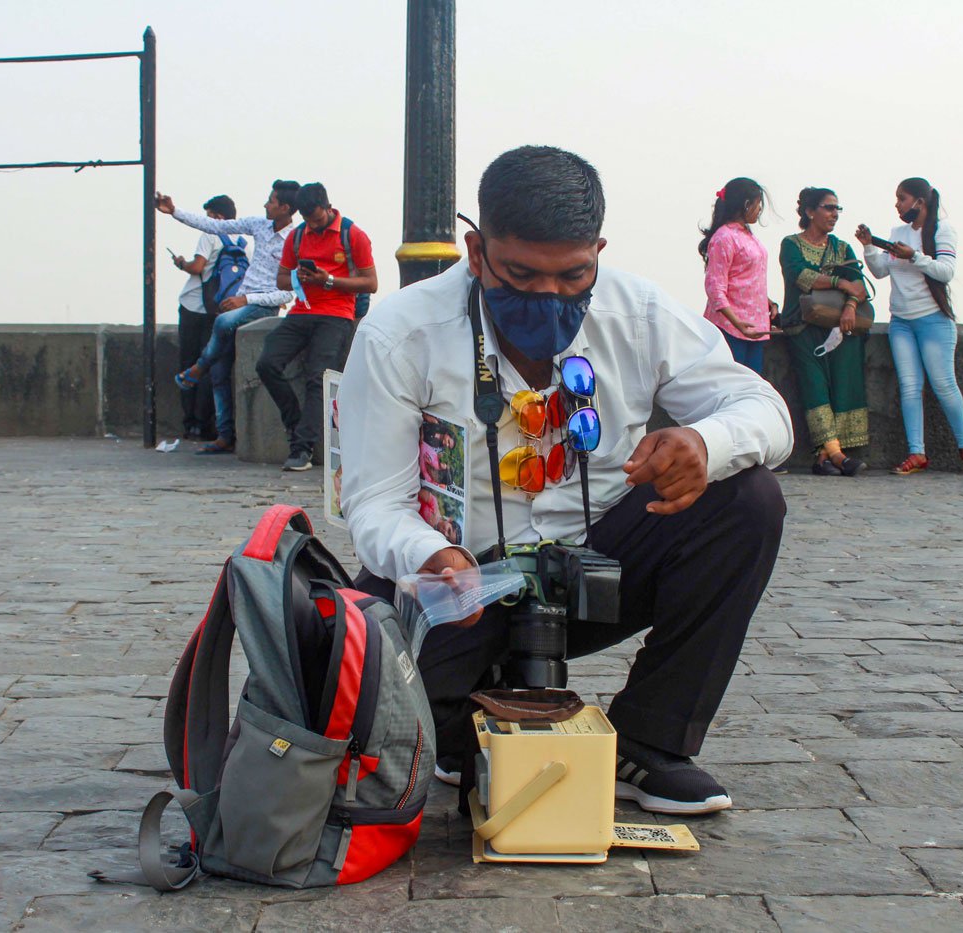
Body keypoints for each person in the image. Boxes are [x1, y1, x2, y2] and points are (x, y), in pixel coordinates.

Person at [338, 146, 792, 815]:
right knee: (376, 719)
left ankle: (651, 740)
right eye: (521, 275)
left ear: (598, 251)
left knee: (747, 500)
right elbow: (374, 503)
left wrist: (704, 441)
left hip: (595, 573)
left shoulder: (637, 310)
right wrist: (431, 555)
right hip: (461, 585)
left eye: (574, 275)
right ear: (475, 250)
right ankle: (468, 722)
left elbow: (768, 414)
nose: (548, 296)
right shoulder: (399, 335)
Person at [856, 179, 963, 475]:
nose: (898, 205)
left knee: (944, 384)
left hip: (932, 319)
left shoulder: (942, 231)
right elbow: (880, 271)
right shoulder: (898, 233)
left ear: (920, 202)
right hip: (901, 321)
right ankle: (916, 452)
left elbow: (946, 271)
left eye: (902, 199)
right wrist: (868, 247)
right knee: (910, 387)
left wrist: (914, 257)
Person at [157, 181, 300, 453]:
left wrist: (246, 299)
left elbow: (285, 294)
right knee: (220, 370)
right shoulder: (260, 226)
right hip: (240, 302)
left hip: (261, 305)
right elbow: (216, 226)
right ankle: (224, 434)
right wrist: (175, 211)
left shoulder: (295, 239)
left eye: (271, 201)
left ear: (285, 208)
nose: (265, 205)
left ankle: (197, 368)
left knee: (221, 323)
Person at [263, 183, 377, 471]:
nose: (313, 225)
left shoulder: (353, 235)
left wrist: (328, 280)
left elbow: (370, 283)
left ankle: (302, 449)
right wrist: (301, 278)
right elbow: (281, 280)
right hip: (302, 310)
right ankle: (295, 423)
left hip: (337, 312)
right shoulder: (299, 236)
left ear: (328, 207)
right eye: (308, 220)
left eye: (317, 218)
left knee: (318, 377)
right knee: (267, 363)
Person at [777, 188, 870, 476]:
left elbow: (859, 285)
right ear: (809, 212)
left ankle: (824, 457)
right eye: (828, 208)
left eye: (837, 209)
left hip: (839, 328)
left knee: (842, 385)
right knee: (814, 387)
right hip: (803, 327)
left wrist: (851, 306)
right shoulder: (791, 244)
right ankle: (838, 456)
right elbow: (802, 276)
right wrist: (840, 284)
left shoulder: (842, 248)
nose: (834, 214)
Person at [169, 194, 236, 439]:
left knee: (190, 364)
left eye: (208, 216)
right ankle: (209, 423)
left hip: (195, 308)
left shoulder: (209, 235)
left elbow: (197, 267)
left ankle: (192, 423)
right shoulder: (244, 239)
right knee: (211, 366)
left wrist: (181, 263)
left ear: (217, 216)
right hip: (222, 310)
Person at [699, 178, 779, 375]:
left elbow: (746, 277)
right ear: (746, 204)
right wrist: (736, 322)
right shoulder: (724, 237)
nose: (759, 209)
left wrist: (766, 301)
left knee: (750, 384)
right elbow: (714, 286)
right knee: (732, 384)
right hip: (730, 326)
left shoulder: (745, 235)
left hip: (753, 327)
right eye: (758, 203)